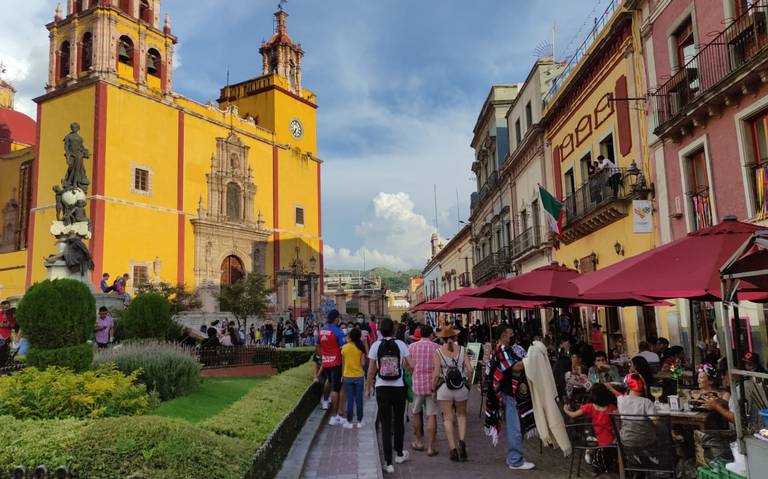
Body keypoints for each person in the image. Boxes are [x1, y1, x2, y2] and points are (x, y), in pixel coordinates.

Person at [366, 317, 411, 474]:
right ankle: (399, 453)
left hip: (381, 387)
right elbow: (409, 366)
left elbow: (371, 370)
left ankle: (388, 462)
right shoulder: (401, 345)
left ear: (379, 330)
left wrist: (367, 387)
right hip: (398, 387)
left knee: (385, 424)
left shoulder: (375, 346)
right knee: (398, 421)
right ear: (394, 330)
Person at [491, 324, 535, 470]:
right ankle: (515, 460)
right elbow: (516, 366)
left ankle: (516, 457)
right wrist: (532, 358)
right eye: (510, 333)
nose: (512, 335)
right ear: (504, 335)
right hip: (510, 394)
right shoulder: (502, 350)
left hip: (514, 394)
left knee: (519, 426)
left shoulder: (507, 349)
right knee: (515, 427)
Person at [432, 325, 472, 462]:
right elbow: (470, 370)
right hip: (461, 387)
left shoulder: (438, 352)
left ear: (442, 339)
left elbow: (436, 374)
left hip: (444, 388)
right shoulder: (462, 350)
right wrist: (469, 384)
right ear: (455, 337)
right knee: (461, 416)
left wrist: (433, 389)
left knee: (448, 418)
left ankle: (453, 449)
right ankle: (462, 440)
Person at [563, 383, 618, 474]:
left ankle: (590, 451)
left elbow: (572, 414)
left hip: (597, 440)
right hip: (611, 441)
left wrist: (565, 409)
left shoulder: (589, 407)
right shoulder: (612, 408)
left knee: (589, 428)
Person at [408, 324, 440, 456]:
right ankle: (431, 447)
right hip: (432, 385)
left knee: (416, 412)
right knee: (431, 415)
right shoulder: (437, 348)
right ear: (431, 334)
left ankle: (418, 441)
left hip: (418, 384)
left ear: (420, 334)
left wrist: (414, 372)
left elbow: (407, 365)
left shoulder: (412, 347)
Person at [318, 309, 346, 426]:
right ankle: (334, 416)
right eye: (338, 318)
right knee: (335, 389)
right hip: (336, 363)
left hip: (326, 362)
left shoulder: (322, 330)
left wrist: (323, 356)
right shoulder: (338, 331)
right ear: (336, 319)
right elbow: (343, 349)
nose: (339, 320)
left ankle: (325, 401)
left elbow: (318, 346)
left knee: (328, 381)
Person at [341, 327, 367, 429]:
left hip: (347, 376)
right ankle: (360, 421)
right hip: (359, 376)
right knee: (359, 399)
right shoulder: (360, 348)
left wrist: (342, 375)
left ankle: (349, 421)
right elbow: (363, 363)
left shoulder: (344, 348)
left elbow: (343, 363)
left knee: (350, 399)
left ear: (350, 336)